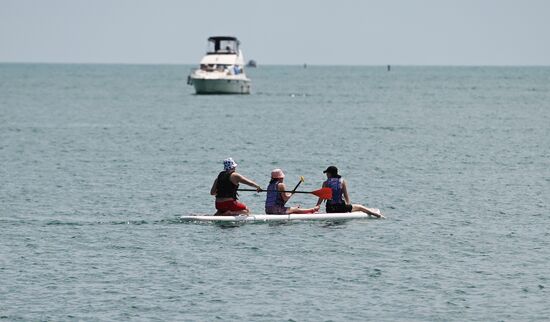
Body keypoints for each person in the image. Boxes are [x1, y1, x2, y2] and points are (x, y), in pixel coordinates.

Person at [315, 166, 383, 218]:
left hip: (330, 209)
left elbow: (321, 197)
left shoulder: (325, 183)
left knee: (355, 207)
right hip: (341, 208)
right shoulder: (342, 181)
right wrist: (348, 205)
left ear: (330, 174)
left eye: (327, 173)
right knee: (359, 207)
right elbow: (345, 195)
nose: (326, 175)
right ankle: (376, 214)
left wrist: (317, 207)